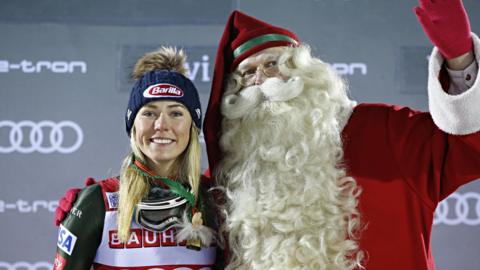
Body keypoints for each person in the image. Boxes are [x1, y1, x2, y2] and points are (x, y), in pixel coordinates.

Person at [55, 0, 480, 269]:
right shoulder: (234, 180)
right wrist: (94, 205)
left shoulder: (386, 133)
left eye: (273, 65)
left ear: (307, 72)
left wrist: (460, 60)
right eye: (247, 75)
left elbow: (466, 146)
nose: (261, 82)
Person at [53, 47, 218, 270]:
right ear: (133, 125)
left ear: (192, 126)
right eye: (149, 113)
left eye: (176, 113)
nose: (161, 125)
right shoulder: (98, 203)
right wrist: (84, 209)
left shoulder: (216, 202)